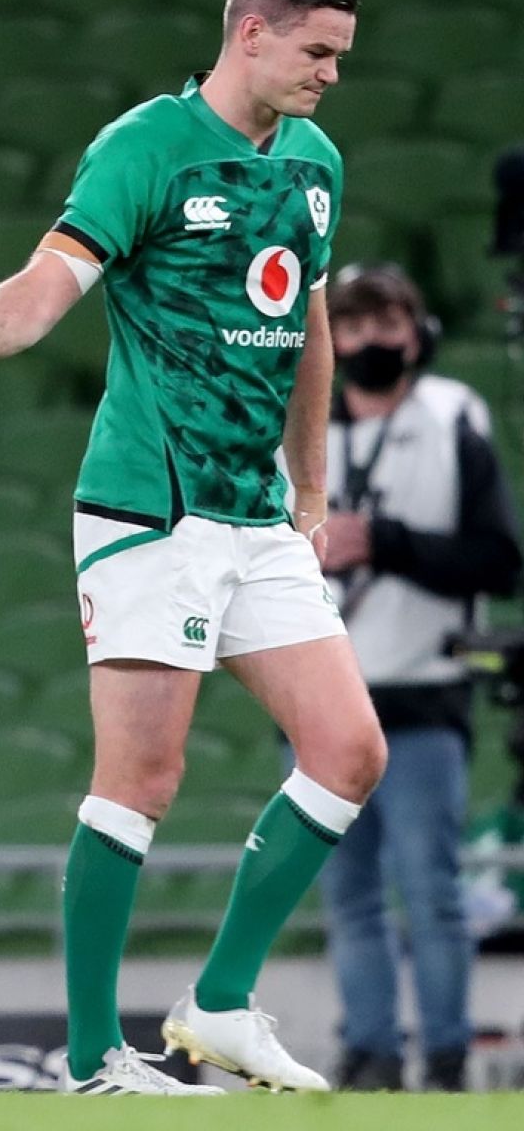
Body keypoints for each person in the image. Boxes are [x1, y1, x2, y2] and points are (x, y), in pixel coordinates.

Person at [0, 0, 379, 1096]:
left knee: (350, 751)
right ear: (251, 32)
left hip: (256, 513)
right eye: (318, 52)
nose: (331, 75)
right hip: (151, 510)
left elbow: (308, 329)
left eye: (342, 56)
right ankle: (92, 1059)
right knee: (142, 778)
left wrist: (311, 488)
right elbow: (47, 285)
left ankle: (220, 1004)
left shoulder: (315, 161)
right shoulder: (145, 148)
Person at [314, 263, 521, 1091]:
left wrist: (385, 542)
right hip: (321, 701)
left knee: (431, 893)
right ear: (331, 338)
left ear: (418, 333)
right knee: (349, 897)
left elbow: (499, 559)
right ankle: (368, 1055)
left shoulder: (452, 414)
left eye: (387, 322)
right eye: (353, 324)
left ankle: (445, 1057)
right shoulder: (297, 422)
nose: (371, 339)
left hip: (424, 694)